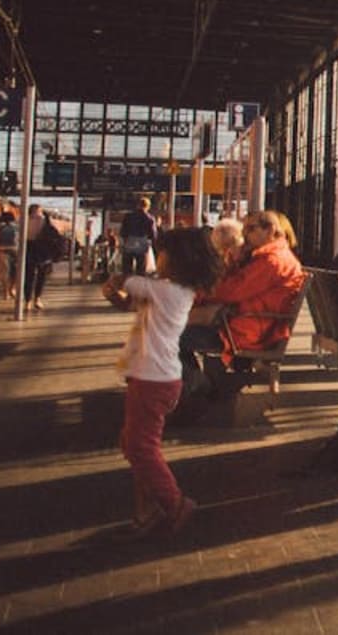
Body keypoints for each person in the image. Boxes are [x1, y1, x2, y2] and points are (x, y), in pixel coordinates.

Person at [103, 227, 223, 536]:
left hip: (153, 380)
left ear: (178, 259)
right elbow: (130, 302)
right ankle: (147, 507)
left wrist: (118, 282)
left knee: (140, 446)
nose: (158, 258)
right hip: (153, 376)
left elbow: (124, 282)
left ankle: (174, 504)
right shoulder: (171, 291)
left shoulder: (168, 290)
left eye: (163, 253)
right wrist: (117, 296)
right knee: (135, 443)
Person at [181, 210, 306, 388]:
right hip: (245, 325)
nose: (244, 234)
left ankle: (196, 385)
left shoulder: (272, 262)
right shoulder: (268, 257)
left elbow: (231, 291)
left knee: (172, 336)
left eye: (250, 229)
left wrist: (201, 294)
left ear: (270, 230)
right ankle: (198, 384)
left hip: (244, 331)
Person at [23, 205, 63, 314]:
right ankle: (37, 298)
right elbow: (57, 236)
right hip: (43, 251)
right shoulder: (46, 221)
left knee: (28, 276)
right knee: (41, 276)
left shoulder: (23, 220)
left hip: (28, 249)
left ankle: (28, 301)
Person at [119, 197, 158, 277]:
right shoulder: (149, 218)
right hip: (142, 242)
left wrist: (124, 240)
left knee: (127, 267)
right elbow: (152, 234)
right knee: (141, 267)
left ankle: (127, 283)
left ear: (137, 205)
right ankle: (138, 284)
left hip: (129, 241)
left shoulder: (128, 216)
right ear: (148, 206)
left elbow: (123, 231)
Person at [0, 212, 20, 302]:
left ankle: (5, 293)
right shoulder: (17, 228)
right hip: (15, 251)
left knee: (4, 273)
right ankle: (12, 288)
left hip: (3, 251)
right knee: (16, 272)